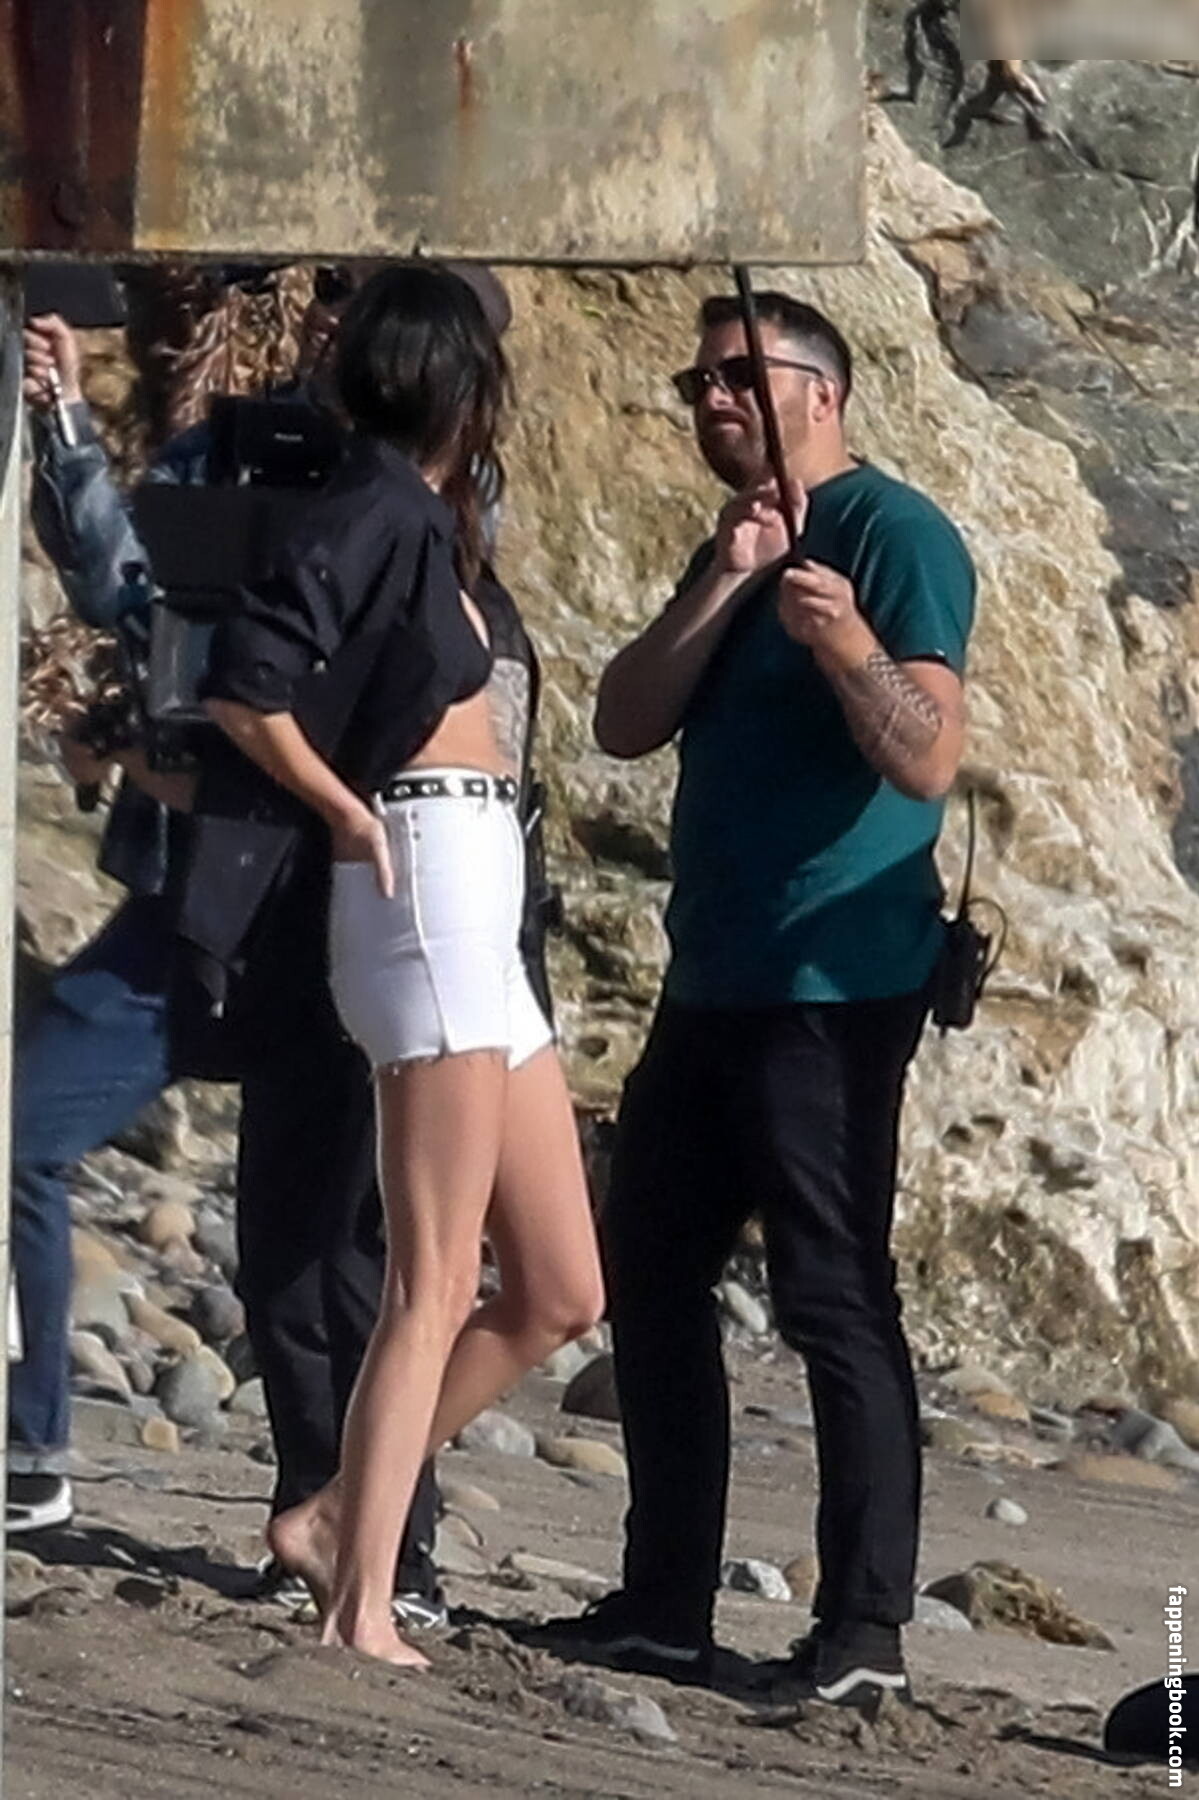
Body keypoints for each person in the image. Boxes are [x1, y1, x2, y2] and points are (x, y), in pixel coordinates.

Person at [10, 267, 527, 1631]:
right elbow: (138, 593)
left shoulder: (440, 511)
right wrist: (64, 424)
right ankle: (313, 1524)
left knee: (368, 1253)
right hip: (238, 894)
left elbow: (444, 714)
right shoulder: (256, 462)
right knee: (296, 1239)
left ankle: (372, 1536)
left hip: (372, 893)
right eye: (335, 313)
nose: (338, 339)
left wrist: (341, 809)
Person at [529, 291, 975, 1706]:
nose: (712, 400)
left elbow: (928, 757)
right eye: (697, 383)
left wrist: (844, 644)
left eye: (737, 375)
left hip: (835, 985)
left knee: (832, 1293)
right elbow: (622, 721)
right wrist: (727, 580)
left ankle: (864, 1633)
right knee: (651, 1271)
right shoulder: (739, 543)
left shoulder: (896, 535)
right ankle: (665, 1605)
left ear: (820, 393)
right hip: (715, 974)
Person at [201, 263, 604, 1667]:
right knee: (431, 1278)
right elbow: (243, 683)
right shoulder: (373, 504)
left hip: (477, 889)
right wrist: (347, 810)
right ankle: (359, 1602)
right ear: (464, 387)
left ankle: (332, 1516)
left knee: (560, 1288)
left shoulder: (429, 518)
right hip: (420, 876)